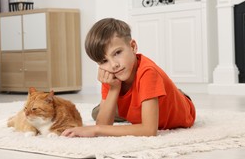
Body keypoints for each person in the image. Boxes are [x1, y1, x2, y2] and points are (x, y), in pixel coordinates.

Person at [62, 18, 196, 137]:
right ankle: (124, 108)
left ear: (132, 46)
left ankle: (173, 92)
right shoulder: (112, 73)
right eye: (104, 61)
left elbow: (149, 131)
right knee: (97, 114)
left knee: (106, 112)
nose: (114, 65)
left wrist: (95, 129)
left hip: (180, 107)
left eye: (117, 53)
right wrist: (114, 89)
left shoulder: (148, 72)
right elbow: (103, 124)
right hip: (135, 106)